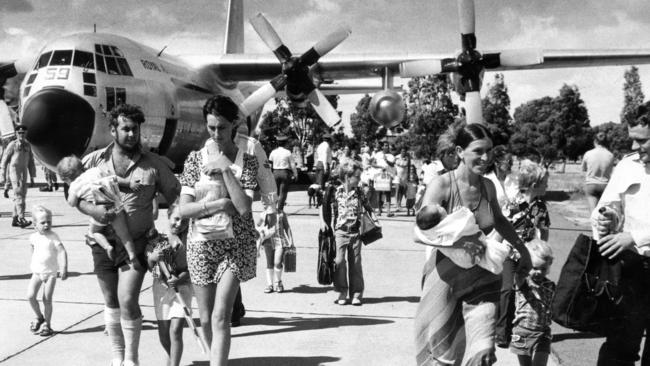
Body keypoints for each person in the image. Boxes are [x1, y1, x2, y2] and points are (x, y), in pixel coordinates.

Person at [414, 123, 532, 366]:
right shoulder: (442, 185)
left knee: (483, 351)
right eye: (478, 151)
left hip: (482, 276)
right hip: (445, 277)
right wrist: (463, 239)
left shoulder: (488, 186)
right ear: (459, 151)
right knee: (440, 354)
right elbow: (420, 230)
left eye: (489, 150)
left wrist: (522, 249)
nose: (486, 157)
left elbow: (499, 219)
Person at [79, 104, 180, 366]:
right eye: (125, 129)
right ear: (113, 130)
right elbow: (75, 194)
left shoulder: (154, 164)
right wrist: (93, 210)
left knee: (126, 299)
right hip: (102, 241)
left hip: (137, 242)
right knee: (111, 301)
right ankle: (117, 357)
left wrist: (177, 228)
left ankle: (132, 360)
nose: (132, 134)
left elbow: (177, 197)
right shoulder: (93, 161)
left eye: (135, 129)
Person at [177, 95, 258, 366]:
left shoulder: (248, 161)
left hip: (236, 245)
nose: (215, 133)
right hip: (201, 244)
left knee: (221, 315)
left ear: (234, 124)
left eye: (221, 127)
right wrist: (220, 204)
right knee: (205, 314)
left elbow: (244, 207)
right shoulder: (193, 161)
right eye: (210, 127)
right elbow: (183, 210)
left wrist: (225, 168)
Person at [591, 103, 650, 366]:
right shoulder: (628, 166)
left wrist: (635, 237)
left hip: (637, 249)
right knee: (618, 349)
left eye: (642, 140)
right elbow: (607, 206)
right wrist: (607, 220)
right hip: (631, 271)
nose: (635, 147)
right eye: (633, 140)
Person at [57, 155, 140, 269]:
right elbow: (114, 178)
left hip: (100, 210)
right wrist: (128, 183)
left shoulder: (74, 186)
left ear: (66, 179)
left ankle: (107, 247)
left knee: (95, 232)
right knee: (124, 233)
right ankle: (132, 254)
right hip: (114, 203)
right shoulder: (95, 170)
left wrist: (73, 195)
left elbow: (71, 203)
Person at [320, 161, 376, 306]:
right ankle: (342, 291)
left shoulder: (359, 192)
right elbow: (323, 205)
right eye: (357, 176)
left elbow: (369, 206)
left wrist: (372, 218)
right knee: (339, 262)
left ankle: (356, 294)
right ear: (347, 176)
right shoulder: (334, 190)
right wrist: (323, 222)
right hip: (340, 232)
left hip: (355, 231)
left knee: (356, 263)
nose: (359, 179)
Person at [146, 201, 192, 366]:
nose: (179, 224)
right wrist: (152, 258)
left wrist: (180, 278)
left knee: (176, 330)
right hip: (161, 289)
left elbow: (192, 268)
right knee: (164, 334)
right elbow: (150, 266)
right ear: (169, 216)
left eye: (184, 221)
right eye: (176, 219)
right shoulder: (158, 238)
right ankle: (171, 359)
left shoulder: (190, 241)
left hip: (183, 287)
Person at [509, 239, 555, 366]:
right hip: (522, 332)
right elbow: (518, 275)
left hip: (543, 333)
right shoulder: (524, 283)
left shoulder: (550, 285)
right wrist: (522, 259)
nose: (539, 272)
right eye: (534, 268)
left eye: (543, 268)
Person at [27, 205, 67, 337]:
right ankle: (39, 317)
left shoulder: (53, 236)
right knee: (31, 296)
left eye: (49, 222)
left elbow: (62, 251)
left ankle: (47, 325)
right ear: (35, 224)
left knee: (47, 299)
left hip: (50, 273)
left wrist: (64, 268)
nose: (46, 225)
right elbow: (33, 250)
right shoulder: (33, 237)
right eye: (42, 222)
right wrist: (33, 263)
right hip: (37, 272)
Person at [1, 124, 36, 228]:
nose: (21, 134)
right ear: (16, 134)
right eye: (19, 133)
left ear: (26, 133)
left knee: (22, 196)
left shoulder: (27, 145)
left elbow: (31, 162)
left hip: (23, 172)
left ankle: (15, 218)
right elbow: (4, 160)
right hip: (14, 171)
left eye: (23, 133)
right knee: (19, 194)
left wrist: (32, 177)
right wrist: (2, 176)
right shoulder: (12, 145)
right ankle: (21, 218)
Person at [259, 211, 292, 293]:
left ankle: (278, 282)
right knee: (269, 263)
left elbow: (287, 227)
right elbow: (258, 227)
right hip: (267, 241)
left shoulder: (281, 213)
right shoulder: (263, 214)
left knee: (277, 262)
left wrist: (291, 241)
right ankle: (270, 284)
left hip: (280, 241)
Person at [582, 131, 615, 212]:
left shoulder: (588, 153)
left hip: (591, 184)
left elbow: (584, 169)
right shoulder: (610, 155)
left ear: (595, 141)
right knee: (603, 212)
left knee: (593, 213)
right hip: (605, 185)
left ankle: (594, 223)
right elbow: (610, 170)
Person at [268, 135, 298, 212]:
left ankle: (273, 208)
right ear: (285, 143)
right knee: (283, 193)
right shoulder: (288, 152)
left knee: (275, 192)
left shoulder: (273, 152)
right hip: (285, 173)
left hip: (275, 173)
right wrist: (295, 174)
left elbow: (269, 165)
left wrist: (268, 174)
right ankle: (280, 209)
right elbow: (292, 165)